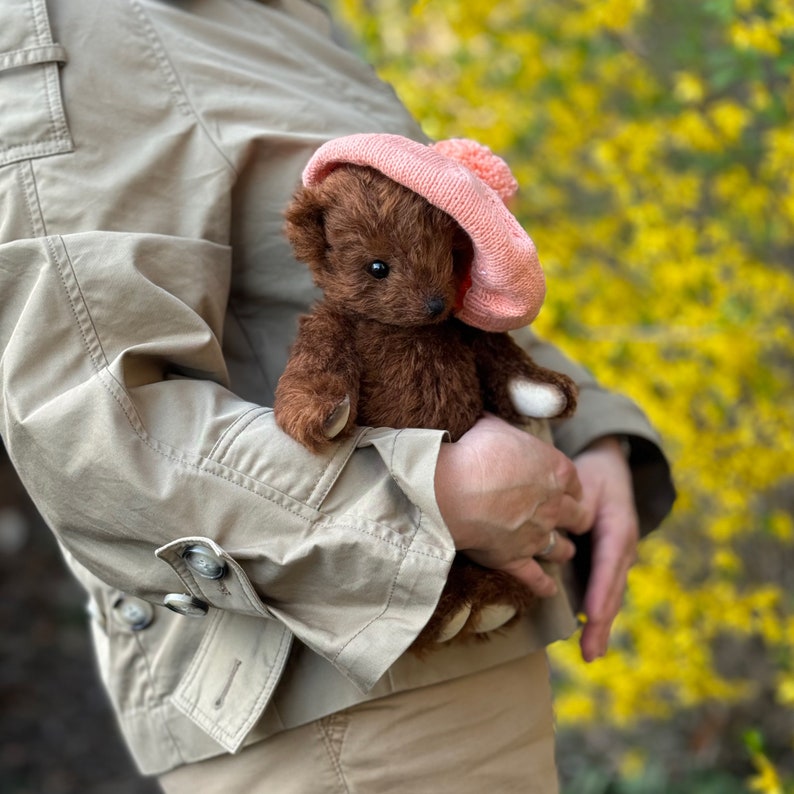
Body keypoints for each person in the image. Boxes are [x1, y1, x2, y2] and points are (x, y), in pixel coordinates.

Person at [0, 1, 675, 791]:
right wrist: (426, 492)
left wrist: (589, 430)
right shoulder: (78, 29)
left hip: (446, 679)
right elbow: (93, 433)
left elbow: (444, 298)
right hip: (340, 717)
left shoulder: (275, 16)